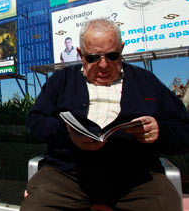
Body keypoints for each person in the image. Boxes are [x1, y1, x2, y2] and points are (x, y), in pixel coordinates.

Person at [21, 18, 189, 211]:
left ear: (122, 49)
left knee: (164, 204)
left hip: (136, 176)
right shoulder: (62, 80)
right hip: (67, 174)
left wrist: (160, 132)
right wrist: (67, 134)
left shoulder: (145, 81)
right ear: (80, 54)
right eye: (92, 58)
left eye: (112, 56)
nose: (103, 65)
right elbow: (35, 122)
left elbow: (184, 129)